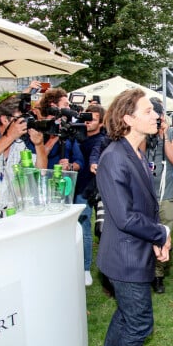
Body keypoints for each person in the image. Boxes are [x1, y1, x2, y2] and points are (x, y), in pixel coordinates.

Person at [96, 88, 171, 346]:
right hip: (124, 259)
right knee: (139, 324)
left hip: (134, 252)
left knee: (127, 316)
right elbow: (126, 216)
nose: (156, 115)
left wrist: (156, 238)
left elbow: (143, 207)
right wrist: (161, 232)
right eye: (148, 111)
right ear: (128, 119)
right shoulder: (114, 158)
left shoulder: (135, 152)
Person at [144, 98, 173, 294]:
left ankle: (158, 275)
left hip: (166, 191)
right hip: (146, 191)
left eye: (158, 115)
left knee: (163, 231)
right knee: (144, 231)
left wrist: (164, 135)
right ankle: (145, 270)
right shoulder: (143, 134)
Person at [74, 103, 106, 287]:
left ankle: (87, 268)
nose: (88, 122)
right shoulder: (77, 137)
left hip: (94, 189)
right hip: (79, 188)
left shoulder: (102, 140)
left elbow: (95, 157)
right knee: (84, 227)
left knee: (99, 227)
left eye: (93, 119)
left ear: (101, 123)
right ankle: (85, 267)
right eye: (86, 117)